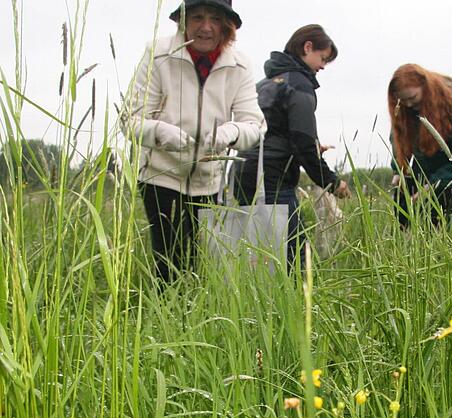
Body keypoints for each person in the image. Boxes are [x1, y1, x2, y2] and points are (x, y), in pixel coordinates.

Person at [125, 0, 266, 284]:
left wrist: (230, 133)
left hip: (208, 180)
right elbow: (131, 120)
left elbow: (255, 125)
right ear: (183, 21)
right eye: (197, 17)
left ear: (226, 25)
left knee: (200, 262)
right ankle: (167, 318)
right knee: (168, 261)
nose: (205, 27)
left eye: (214, 19)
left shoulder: (239, 65)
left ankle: (194, 319)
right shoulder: (158, 55)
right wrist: (161, 132)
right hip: (160, 177)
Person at [234, 24, 350, 270]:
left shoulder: (264, 84)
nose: (323, 66)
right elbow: (302, 140)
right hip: (273, 181)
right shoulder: (299, 84)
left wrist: (310, 147)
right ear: (307, 47)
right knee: (295, 260)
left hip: (242, 173)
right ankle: (297, 305)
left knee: (258, 255)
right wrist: (331, 181)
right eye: (323, 58)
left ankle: (257, 303)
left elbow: (275, 133)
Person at [387, 64, 452, 232]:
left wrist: (432, 186)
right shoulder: (405, 108)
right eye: (403, 100)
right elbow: (399, 138)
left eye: (413, 98)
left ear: (426, 88)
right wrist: (398, 169)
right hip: (427, 161)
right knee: (425, 224)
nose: (409, 104)